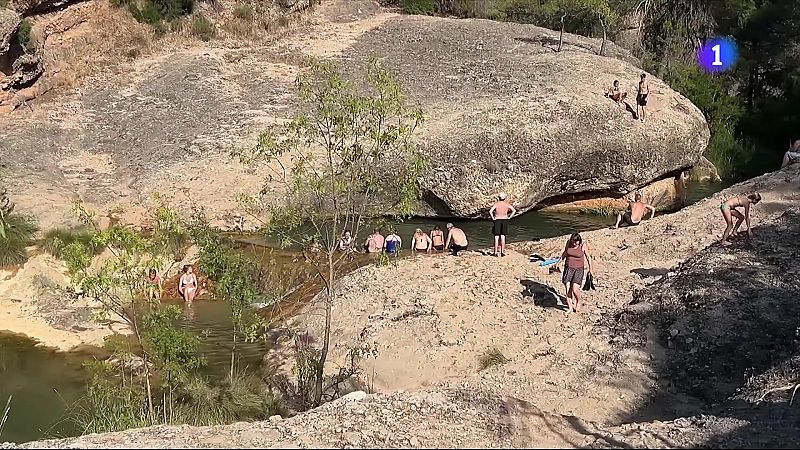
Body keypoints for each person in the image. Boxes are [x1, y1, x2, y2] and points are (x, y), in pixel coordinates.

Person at [559, 233, 592, 314]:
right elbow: (565, 253)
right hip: (568, 269)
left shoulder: (583, 245)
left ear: (579, 241)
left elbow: (588, 257)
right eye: (573, 241)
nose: (574, 243)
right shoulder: (569, 243)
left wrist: (590, 269)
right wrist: (558, 262)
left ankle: (579, 301)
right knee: (568, 289)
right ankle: (570, 308)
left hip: (578, 270)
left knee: (575, 289)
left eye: (576, 242)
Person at [489, 192, 517, 257]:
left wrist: (493, 218)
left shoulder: (496, 204)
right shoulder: (507, 204)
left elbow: (490, 211)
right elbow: (514, 210)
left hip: (497, 220)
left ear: (498, 198)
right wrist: (509, 217)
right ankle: (502, 252)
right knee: (503, 236)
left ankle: (495, 252)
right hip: (504, 220)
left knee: (496, 237)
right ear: (504, 198)